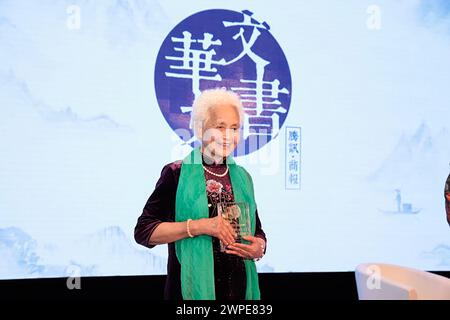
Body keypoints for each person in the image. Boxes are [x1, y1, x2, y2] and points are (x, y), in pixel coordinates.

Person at [134, 88, 266, 300]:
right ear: (200, 128)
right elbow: (144, 232)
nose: (228, 136)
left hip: (239, 295)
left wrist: (259, 247)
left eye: (235, 128)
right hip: (189, 295)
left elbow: (256, 230)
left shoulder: (243, 177)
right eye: (219, 127)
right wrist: (200, 226)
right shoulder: (176, 173)